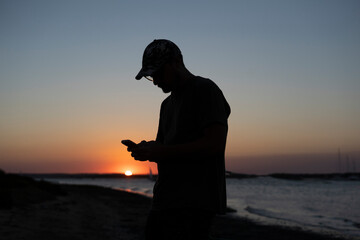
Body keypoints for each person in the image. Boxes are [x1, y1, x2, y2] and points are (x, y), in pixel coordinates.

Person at [125, 39, 231, 240]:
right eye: (151, 76)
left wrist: (160, 151)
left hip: (194, 203)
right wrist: (146, 150)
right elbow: (165, 150)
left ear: (176, 62)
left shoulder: (205, 89)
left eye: (157, 73)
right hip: (165, 200)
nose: (155, 81)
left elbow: (215, 144)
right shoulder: (166, 105)